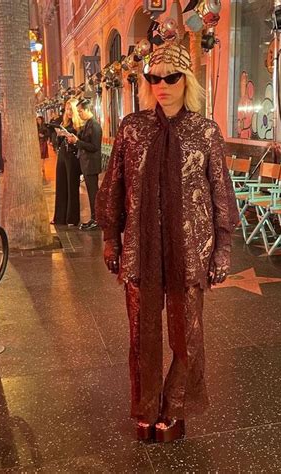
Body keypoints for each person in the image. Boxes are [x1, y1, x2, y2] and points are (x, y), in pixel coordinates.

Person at [96, 43, 238, 442]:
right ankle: (144, 407)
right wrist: (111, 238)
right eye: (154, 78)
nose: (162, 85)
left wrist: (223, 249)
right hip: (141, 250)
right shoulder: (132, 128)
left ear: (187, 80)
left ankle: (176, 407)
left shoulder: (205, 131)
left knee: (186, 335)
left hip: (190, 251)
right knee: (141, 333)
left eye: (171, 77)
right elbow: (114, 187)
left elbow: (220, 194)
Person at [67, 99, 102, 231]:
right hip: (86, 163)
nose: (79, 114)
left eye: (81, 111)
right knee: (91, 193)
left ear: (88, 110)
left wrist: (78, 142)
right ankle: (94, 218)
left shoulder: (95, 125)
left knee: (94, 193)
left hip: (91, 164)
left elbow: (94, 146)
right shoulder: (87, 124)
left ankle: (97, 219)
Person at [51, 98, 84, 226]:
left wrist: (72, 137)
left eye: (71, 109)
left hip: (73, 156)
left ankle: (72, 218)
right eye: (67, 109)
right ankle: (59, 217)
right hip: (63, 154)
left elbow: (80, 142)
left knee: (71, 186)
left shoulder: (79, 125)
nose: (69, 111)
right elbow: (58, 144)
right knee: (61, 184)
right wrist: (59, 135)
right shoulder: (64, 123)